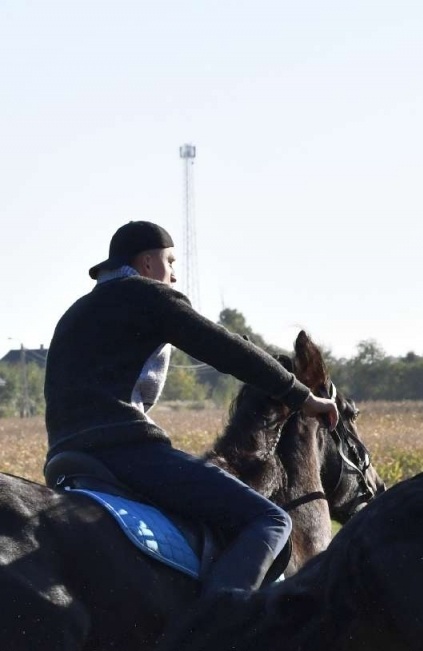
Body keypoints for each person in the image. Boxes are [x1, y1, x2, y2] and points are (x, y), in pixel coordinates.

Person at [44, 220, 339, 595]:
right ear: (148, 264)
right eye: (170, 263)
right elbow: (225, 348)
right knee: (270, 520)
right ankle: (218, 626)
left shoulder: (75, 314)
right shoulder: (147, 295)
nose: (174, 275)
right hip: (125, 453)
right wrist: (303, 397)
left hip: (64, 456)